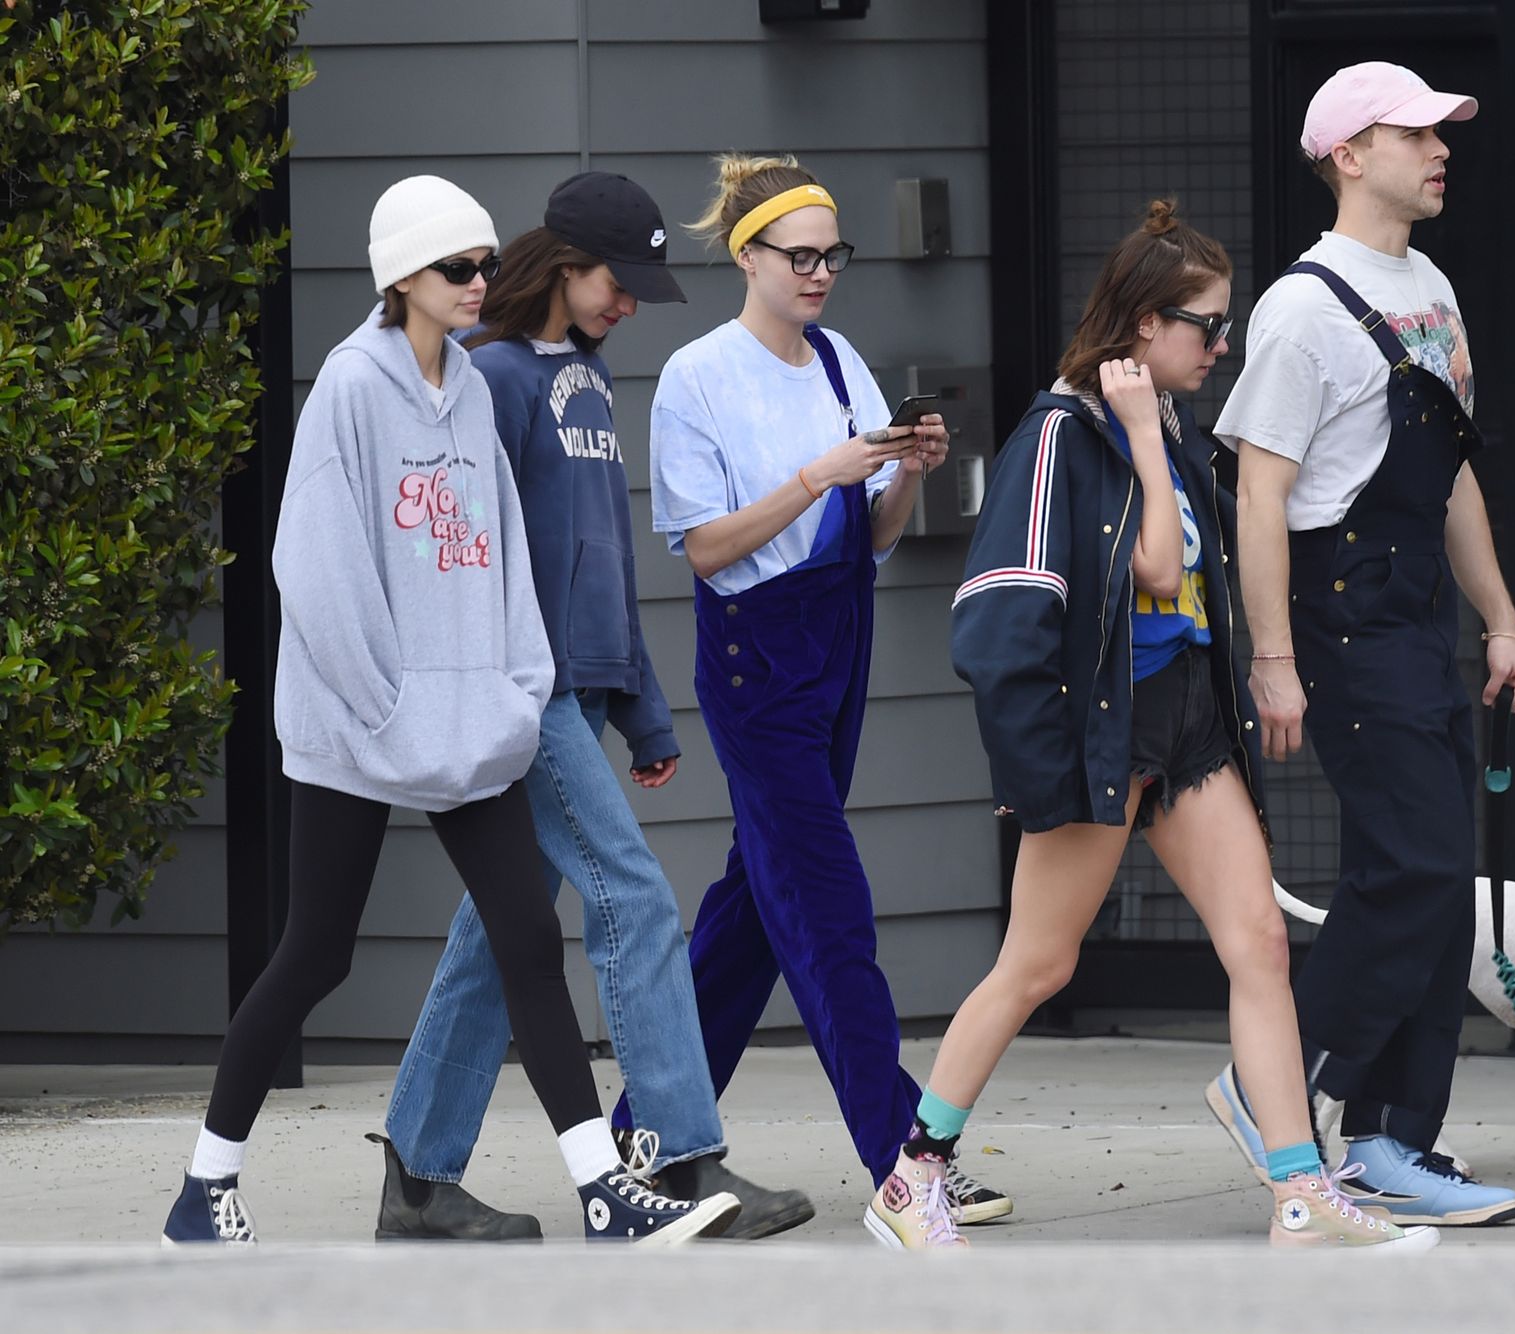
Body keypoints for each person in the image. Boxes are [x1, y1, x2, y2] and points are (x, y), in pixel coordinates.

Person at [159, 176, 739, 1247]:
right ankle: (205, 1185)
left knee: (527, 935)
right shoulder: (349, 387)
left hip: (473, 725)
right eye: (457, 268)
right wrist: (391, 704)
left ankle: (601, 1190)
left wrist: (516, 690)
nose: (481, 282)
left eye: (483, 264)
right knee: (314, 955)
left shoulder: (471, 391)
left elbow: (503, 562)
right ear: (401, 278)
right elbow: (316, 567)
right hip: (353, 731)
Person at [861, 201, 1435, 1253]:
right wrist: (1038, 767)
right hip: (1103, 735)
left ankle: (1298, 1186)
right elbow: (1035, 611)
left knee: (1260, 943)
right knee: (1038, 964)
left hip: (1183, 727)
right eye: (1203, 326)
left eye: (1226, 326)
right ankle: (911, 1175)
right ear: (1139, 325)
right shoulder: (1061, 437)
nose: (1221, 347)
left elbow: (1188, 591)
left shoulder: (1164, 428)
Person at [377, 172, 811, 1241]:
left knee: (500, 928)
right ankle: (681, 1157)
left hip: (571, 689)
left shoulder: (583, 374)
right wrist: (507, 691)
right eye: (621, 281)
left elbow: (601, 560)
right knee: (635, 895)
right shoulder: (495, 378)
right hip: (518, 693)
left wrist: (644, 709)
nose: (631, 303)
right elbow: (468, 555)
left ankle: (419, 1180)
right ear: (564, 263)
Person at [646, 152, 1005, 1224]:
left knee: (761, 902)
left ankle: (646, 1127)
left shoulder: (841, 359)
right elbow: (705, 549)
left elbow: (875, 541)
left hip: (837, 647)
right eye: (799, 256)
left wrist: (902, 473)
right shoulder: (696, 375)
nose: (819, 274)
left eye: (831, 256)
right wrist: (819, 475)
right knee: (831, 908)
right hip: (758, 657)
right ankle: (907, 1156)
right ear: (747, 254)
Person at [1209, 62, 1515, 1228]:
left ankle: (1395, 1139)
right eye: (1417, 132)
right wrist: (1272, 658)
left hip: (1417, 615)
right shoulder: (1301, 309)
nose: (1442, 148)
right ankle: (1275, 1085)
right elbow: (1260, 496)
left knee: (1435, 882)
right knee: (1420, 863)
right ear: (1349, 152)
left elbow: (1448, 476)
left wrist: (1498, 617)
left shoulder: (1431, 286)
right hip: (1337, 614)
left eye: (1445, 130)